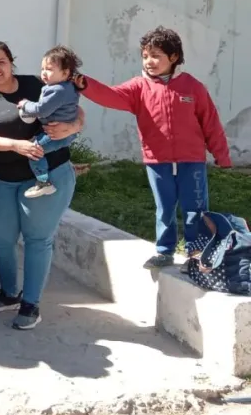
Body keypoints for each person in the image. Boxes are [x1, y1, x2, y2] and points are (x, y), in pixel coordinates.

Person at [74, 26, 231, 269]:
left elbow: (210, 122)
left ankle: (197, 252)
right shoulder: (139, 87)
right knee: (164, 208)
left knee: (196, 209)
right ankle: (165, 251)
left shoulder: (192, 87)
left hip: (192, 161)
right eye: (145, 56)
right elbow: (111, 96)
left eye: (156, 55)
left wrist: (221, 155)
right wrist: (86, 85)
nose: (149, 61)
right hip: (157, 161)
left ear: (174, 57)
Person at [0, 40, 85, 331]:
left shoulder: (37, 86)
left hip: (47, 176)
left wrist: (74, 126)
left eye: (1, 61)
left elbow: (74, 109)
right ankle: (9, 294)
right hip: (4, 178)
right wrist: (15, 146)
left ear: (11, 62)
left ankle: (31, 305)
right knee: (0, 239)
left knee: (36, 239)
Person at [17, 45, 83, 199]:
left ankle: (43, 182)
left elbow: (42, 109)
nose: (44, 73)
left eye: (49, 69)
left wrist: (25, 104)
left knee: (34, 151)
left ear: (65, 73)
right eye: (42, 69)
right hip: (63, 133)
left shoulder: (57, 90)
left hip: (56, 134)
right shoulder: (68, 87)